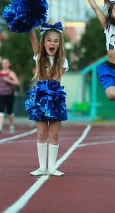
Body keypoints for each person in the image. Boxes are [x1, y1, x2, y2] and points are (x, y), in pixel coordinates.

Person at [26, 22, 69, 176]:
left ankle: (52, 167)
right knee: (42, 133)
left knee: (54, 134)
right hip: (39, 99)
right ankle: (42, 167)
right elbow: (32, 36)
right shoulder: (38, 56)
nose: (52, 43)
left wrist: (51, 94)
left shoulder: (63, 61)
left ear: (60, 44)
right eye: (49, 40)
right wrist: (27, 19)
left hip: (55, 98)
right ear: (43, 42)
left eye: (56, 41)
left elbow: (55, 79)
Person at [0, 58, 20, 134]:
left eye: (6, 63)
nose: (4, 64)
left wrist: (9, 80)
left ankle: (12, 125)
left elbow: (17, 83)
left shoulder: (11, 73)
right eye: (3, 63)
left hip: (9, 94)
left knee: (9, 111)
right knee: (0, 110)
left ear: (9, 64)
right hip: (1, 93)